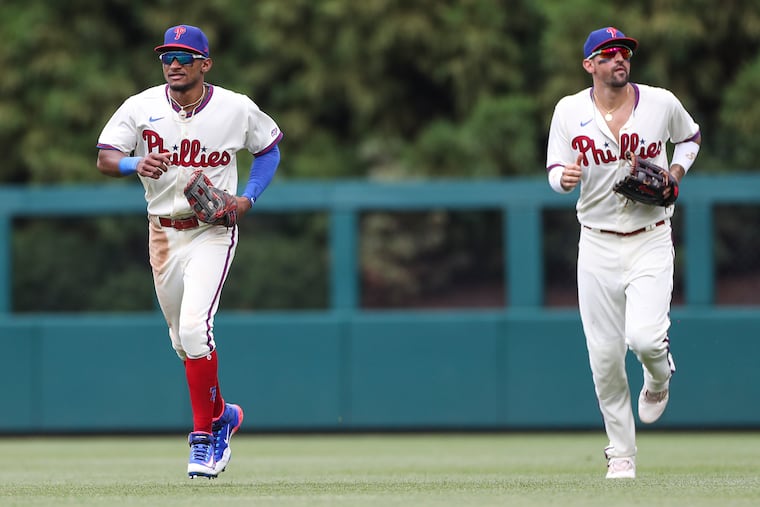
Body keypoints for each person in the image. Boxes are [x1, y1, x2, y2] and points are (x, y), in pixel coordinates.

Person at [96, 24, 283, 478]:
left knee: (196, 330)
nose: (173, 64)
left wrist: (247, 198)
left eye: (183, 56)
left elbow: (269, 148)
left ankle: (204, 439)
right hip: (162, 232)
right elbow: (104, 155)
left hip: (211, 231)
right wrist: (132, 162)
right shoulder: (140, 107)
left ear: (205, 64)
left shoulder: (235, 107)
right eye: (166, 56)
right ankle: (223, 416)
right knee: (183, 342)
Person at [545, 27, 701, 479]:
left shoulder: (660, 102)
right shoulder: (568, 111)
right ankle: (621, 454)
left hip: (650, 235)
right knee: (605, 358)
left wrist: (674, 170)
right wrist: (563, 179)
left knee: (646, 339)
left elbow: (690, 136)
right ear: (589, 64)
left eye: (625, 52)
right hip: (595, 242)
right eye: (609, 53)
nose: (620, 59)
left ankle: (659, 374)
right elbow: (555, 167)